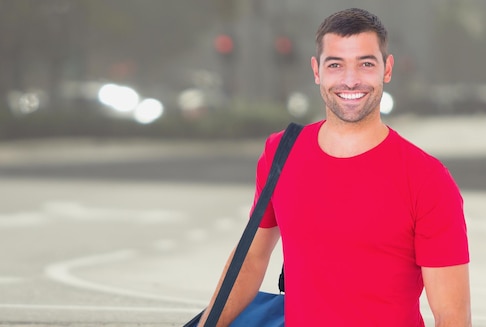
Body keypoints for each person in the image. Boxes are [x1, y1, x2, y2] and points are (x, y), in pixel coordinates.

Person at [197, 8, 471, 327]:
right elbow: (251, 259)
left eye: (366, 64)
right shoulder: (281, 151)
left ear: (387, 69)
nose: (350, 79)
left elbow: (451, 314)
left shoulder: (427, 178)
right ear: (317, 71)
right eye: (336, 64)